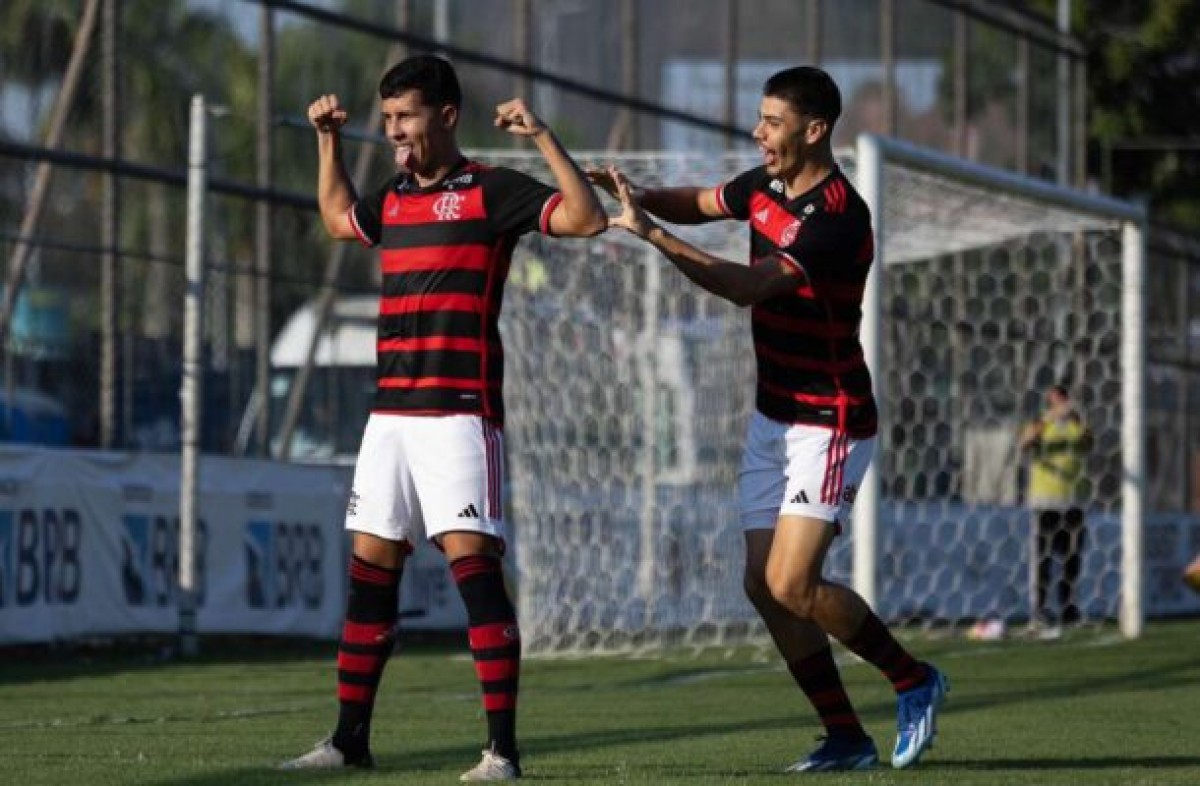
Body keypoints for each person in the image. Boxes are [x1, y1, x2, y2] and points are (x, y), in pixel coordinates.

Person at [591, 66, 946, 772]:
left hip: (830, 418)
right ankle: (845, 736)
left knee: (792, 583)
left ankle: (915, 679)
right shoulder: (764, 184)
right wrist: (633, 196)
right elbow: (701, 200)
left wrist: (651, 236)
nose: (759, 133)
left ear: (815, 131)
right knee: (763, 584)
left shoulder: (841, 219)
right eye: (759, 119)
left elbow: (747, 286)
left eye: (773, 122)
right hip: (774, 415)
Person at [279, 54, 605, 781]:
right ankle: (348, 741)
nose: (394, 132)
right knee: (370, 576)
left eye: (406, 118)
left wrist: (543, 136)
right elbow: (337, 218)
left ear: (447, 116)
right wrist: (329, 141)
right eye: (387, 118)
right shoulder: (392, 198)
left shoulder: (492, 192)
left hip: (459, 416)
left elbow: (585, 218)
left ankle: (502, 753)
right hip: (388, 420)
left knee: (474, 574)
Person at [1018, 384, 1093, 636]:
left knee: (1072, 559)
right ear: (1048, 401)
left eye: (1062, 397)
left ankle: (1069, 610)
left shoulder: (1076, 426)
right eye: (1053, 398)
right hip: (1046, 502)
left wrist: (1079, 417)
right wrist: (1049, 419)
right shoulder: (1040, 424)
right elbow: (1025, 443)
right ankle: (1039, 611)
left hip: (1073, 501)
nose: (1059, 402)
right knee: (1043, 559)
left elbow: (1089, 441)